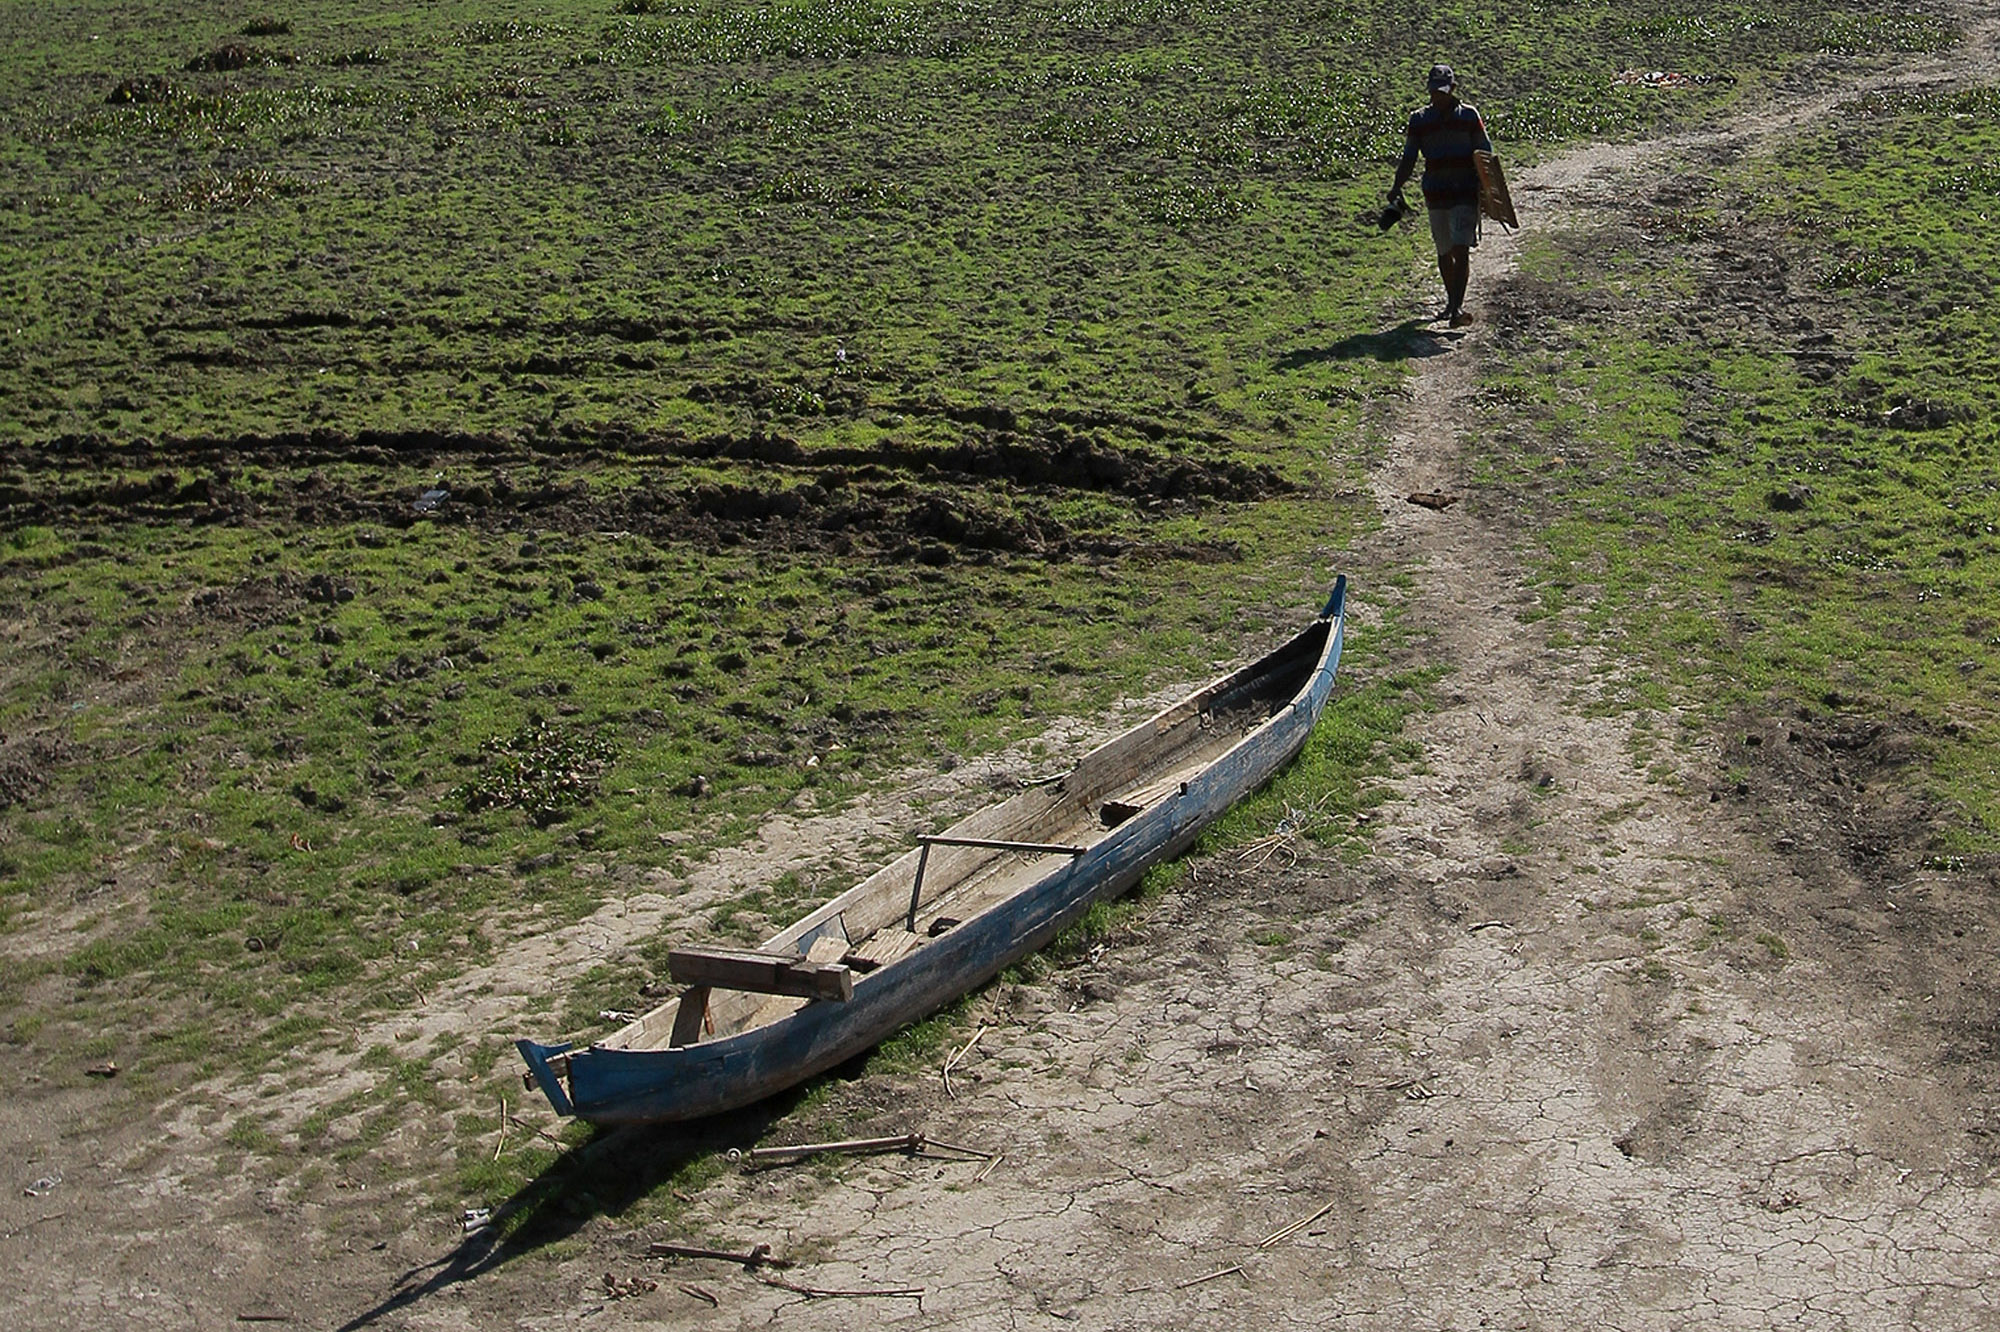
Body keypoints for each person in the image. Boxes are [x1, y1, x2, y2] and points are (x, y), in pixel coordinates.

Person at [1389, 64, 1492, 328]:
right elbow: (1409, 157)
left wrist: (1489, 192)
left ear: (1453, 89)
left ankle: (1456, 307)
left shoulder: (1469, 117)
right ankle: (1451, 302)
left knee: (1461, 248)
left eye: (1443, 92)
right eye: (1434, 92)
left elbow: (1485, 154)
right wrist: (1397, 186)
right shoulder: (1419, 120)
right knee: (1444, 251)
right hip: (1435, 194)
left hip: (1465, 193)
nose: (1438, 97)